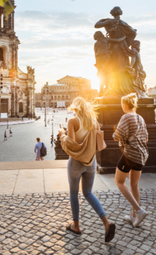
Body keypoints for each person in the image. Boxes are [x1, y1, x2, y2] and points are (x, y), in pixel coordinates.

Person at [59, 97, 115, 242]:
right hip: (91, 162)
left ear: (76, 108)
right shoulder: (94, 122)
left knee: (73, 193)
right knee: (88, 193)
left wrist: (62, 135)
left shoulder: (73, 121)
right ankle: (106, 222)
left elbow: (72, 145)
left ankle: (76, 225)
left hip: (76, 163)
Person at [113, 93, 150, 227]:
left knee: (119, 181)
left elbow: (117, 135)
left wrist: (115, 135)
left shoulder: (126, 117)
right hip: (141, 155)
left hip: (129, 155)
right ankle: (134, 217)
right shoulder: (140, 118)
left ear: (124, 104)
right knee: (134, 185)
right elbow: (146, 138)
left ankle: (139, 211)